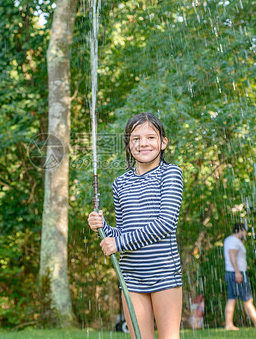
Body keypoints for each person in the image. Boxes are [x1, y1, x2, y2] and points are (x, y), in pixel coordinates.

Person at [88, 112, 183, 339]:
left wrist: (117, 242)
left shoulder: (170, 174)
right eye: (135, 139)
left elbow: (165, 224)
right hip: (130, 276)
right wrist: (103, 227)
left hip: (164, 274)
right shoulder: (120, 183)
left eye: (151, 137)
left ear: (163, 143)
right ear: (128, 145)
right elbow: (123, 232)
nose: (143, 144)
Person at [223, 222, 256, 330]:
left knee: (232, 298)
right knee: (247, 299)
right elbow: (232, 256)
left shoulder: (229, 240)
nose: (246, 234)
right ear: (240, 230)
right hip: (237, 272)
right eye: (245, 231)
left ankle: (229, 324)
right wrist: (237, 272)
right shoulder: (234, 241)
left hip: (230, 272)